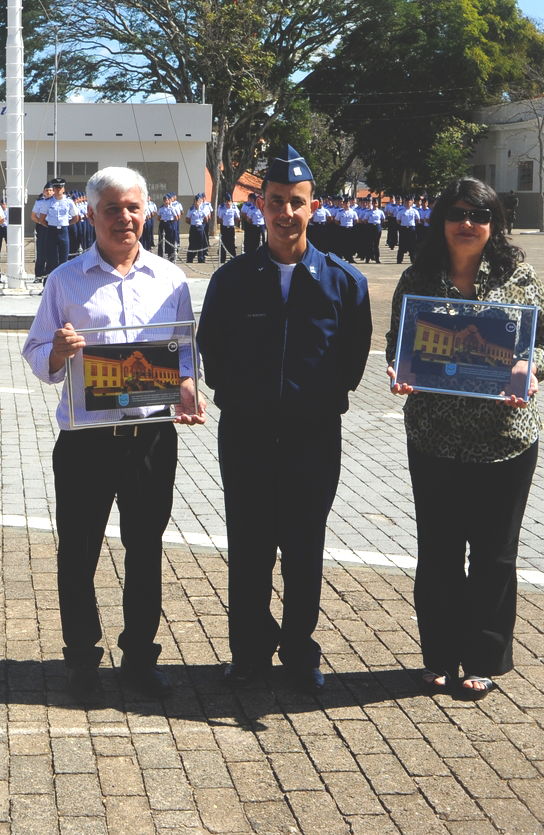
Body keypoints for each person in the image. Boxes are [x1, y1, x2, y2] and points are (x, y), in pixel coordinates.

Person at [23, 167, 205, 704]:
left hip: (150, 436)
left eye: (132, 208)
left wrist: (190, 384)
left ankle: (140, 659)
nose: (124, 219)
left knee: (145, 549)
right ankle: (81, 660)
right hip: (86, 438)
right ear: (91, 214)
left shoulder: (171, 280)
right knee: (78, 554)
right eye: (112, 209)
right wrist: (56, 351)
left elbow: (185, 352)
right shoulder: (64, 280)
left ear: (145, 212)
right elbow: (35, 353)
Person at [197, 144, 371, 692]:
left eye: (296, 202)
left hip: (312, 438)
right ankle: (248, 651)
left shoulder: (344, 282)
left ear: (313, 206)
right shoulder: (231, 281)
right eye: (275, 202)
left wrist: (307, 403)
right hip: (246, 436)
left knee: (303, 551)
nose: (285, 213)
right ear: (259, 207)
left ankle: (299, 650)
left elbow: (351, 359)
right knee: (248, 549)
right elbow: (213, 352)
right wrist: (248, 400)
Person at [384, 177, 544, 699]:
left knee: (495, 555)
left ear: (494, 224)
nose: (467, 224)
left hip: (505, 440)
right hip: (435, 438)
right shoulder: (418, 278)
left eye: (479, 215)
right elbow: (398, 342)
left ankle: (482, 656)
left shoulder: (520, 278)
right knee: (437, 552)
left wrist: (530, 369)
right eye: (457, 213)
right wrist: (400, 369)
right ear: (441, 220)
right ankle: (438, 655)